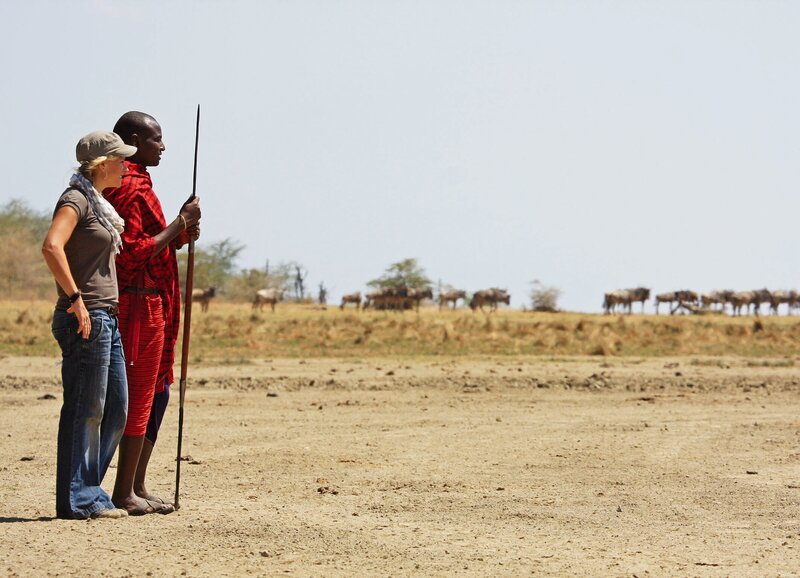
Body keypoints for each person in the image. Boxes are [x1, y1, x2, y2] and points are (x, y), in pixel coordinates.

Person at [105, 111, 201, 515]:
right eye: (156, 139)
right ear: (132, 140)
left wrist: (180, 234)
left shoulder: (141, 183)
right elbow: (132, 252)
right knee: (141, 393)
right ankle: (123, 491)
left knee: (158, 390)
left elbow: (154, 243)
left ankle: (137, 483)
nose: (162, 146)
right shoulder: (126, 185)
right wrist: (178, 222)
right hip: (138, 305)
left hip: (156, 301)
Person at [42, 131, 137, 520]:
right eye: (120, 159)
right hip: (86, 317)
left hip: (105, 319)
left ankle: (88, 490)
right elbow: (51, 246)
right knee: (86, 408)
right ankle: (78, 499)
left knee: (116, 407)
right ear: (101, 165)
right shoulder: (76, 199)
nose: (126, 165)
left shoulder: (99, 204)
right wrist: (76, 298)